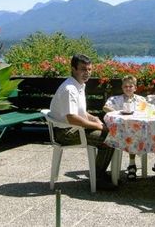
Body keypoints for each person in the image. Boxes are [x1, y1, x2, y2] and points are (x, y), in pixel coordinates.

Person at [49, 54, 117, 190]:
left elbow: (81, 113)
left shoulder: (79, 85)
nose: (87, 73)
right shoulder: (69, 89)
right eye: (83, 69)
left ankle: (98, 174)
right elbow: (72, 118)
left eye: (89, 70)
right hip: (65, 132)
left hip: (72, 127)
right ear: (73, 69)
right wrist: (99, 126)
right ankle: (97, 178)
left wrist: (94, 119)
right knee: (110, 139)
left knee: (110, 134)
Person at [103, 75, 146, 181]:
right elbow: (105, 107)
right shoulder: (116, 99)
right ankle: (132, 165)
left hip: (138, 130)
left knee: (136, 132)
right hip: (120, 131)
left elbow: (147, 111)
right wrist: (119, 112)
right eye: (125, 86)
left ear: (135, 88)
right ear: (122, 88)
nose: (128, 88)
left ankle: (135, 165)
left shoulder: (141, 100)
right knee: (131, 133)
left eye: (130, 86)